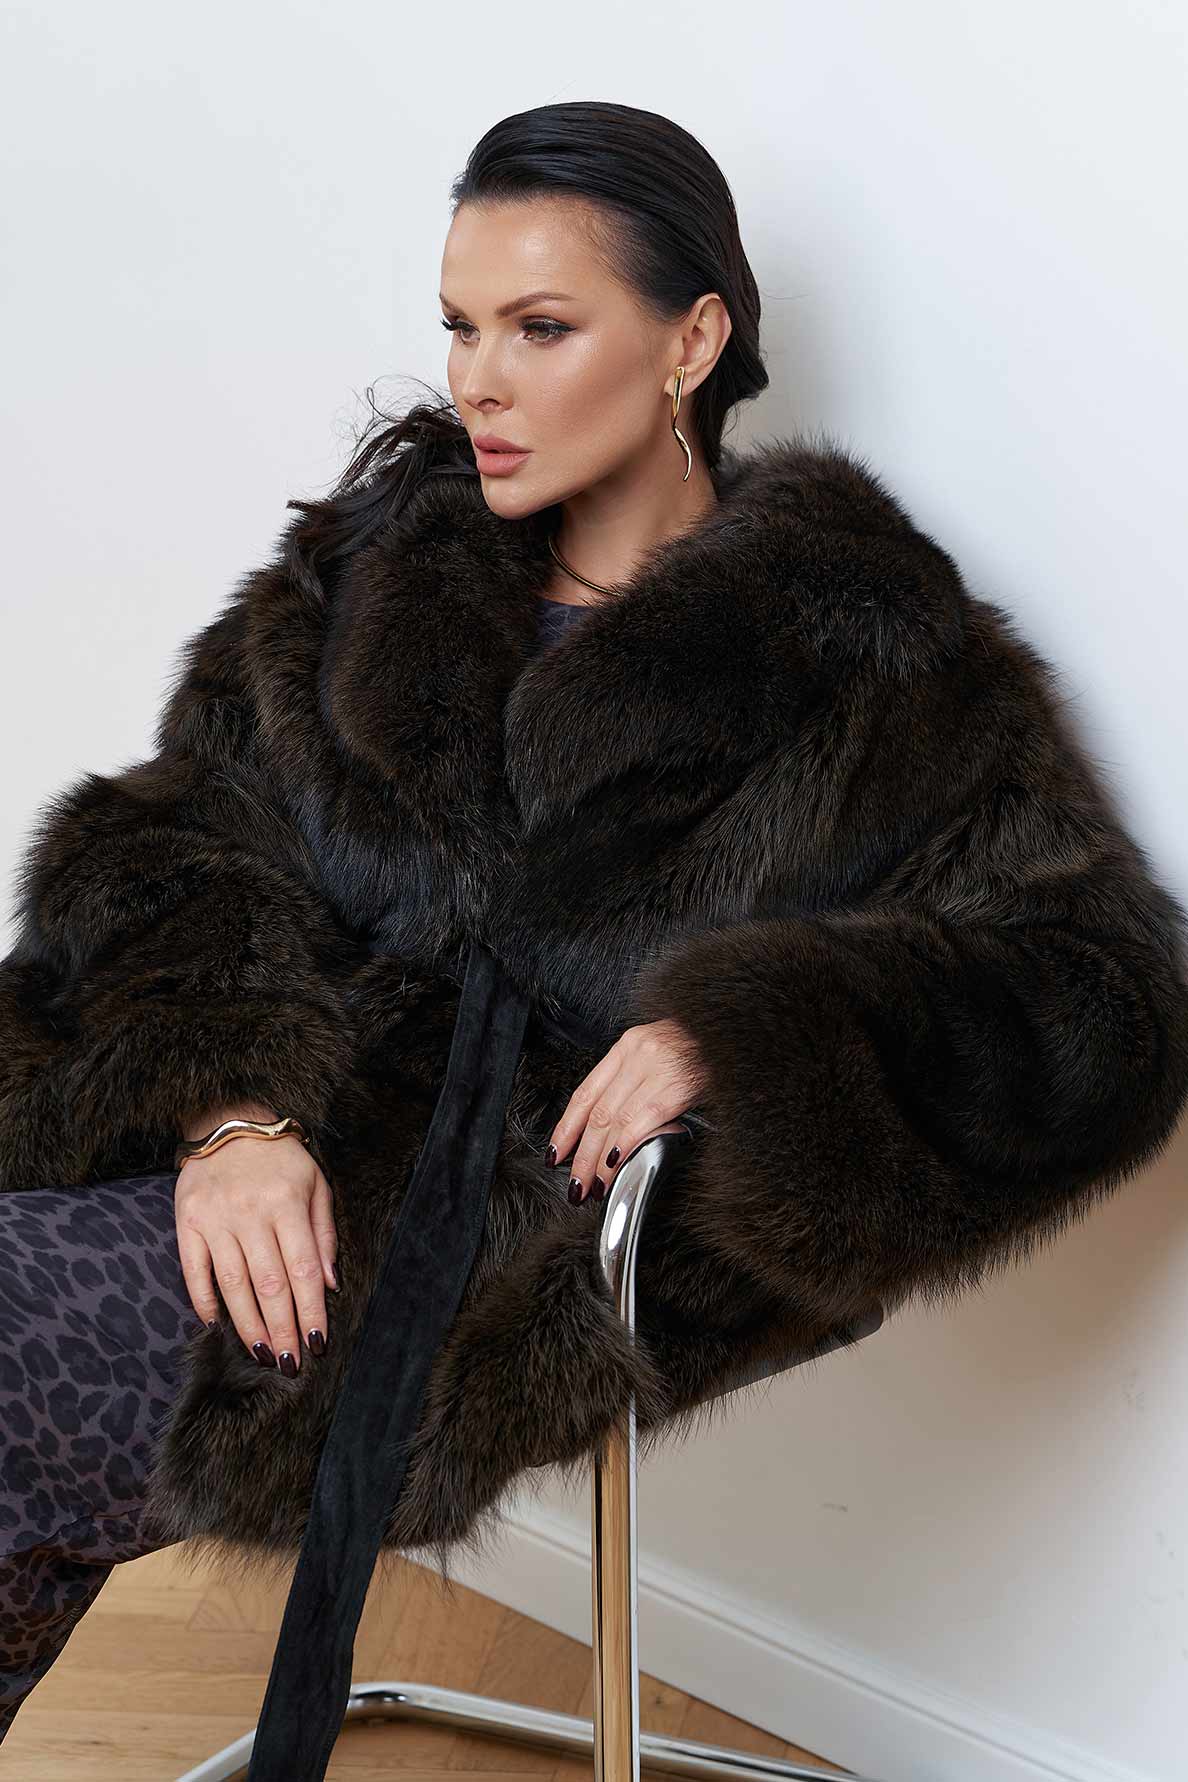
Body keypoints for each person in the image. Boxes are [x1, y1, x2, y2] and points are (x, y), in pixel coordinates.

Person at [3, 97, 1188, 1755]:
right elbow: (178, 834)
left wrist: (746, 1025)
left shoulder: (864, 653)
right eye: (460, 327)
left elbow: (1102, 992)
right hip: (249, 1120)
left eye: (541, 328)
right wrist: (232, 1106)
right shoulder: (373, 577)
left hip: (517, 1210)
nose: (478, 381)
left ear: (691, 341)